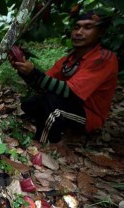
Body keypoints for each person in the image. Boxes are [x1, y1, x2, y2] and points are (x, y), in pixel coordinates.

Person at [11, 10, 118, 146]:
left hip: (88, 115)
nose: (79, 32)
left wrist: (34, 72)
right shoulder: (69, 59)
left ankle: (45, 143)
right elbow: (42, 84)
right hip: (67, 104)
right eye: (76, 27)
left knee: (53, 104)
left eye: (88, 27)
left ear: (100, 32)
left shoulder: (104, 59)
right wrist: (24, 71)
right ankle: (57, 125)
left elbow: (70, 92)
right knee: (29, 104)